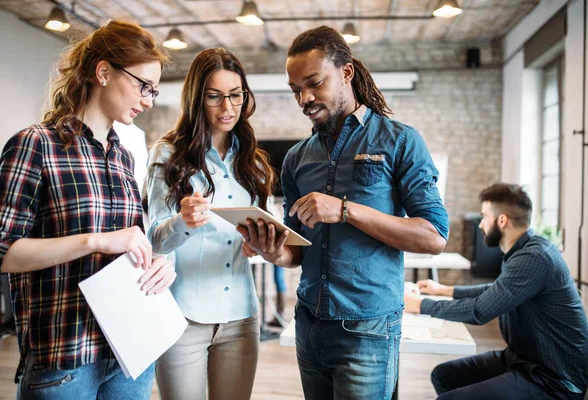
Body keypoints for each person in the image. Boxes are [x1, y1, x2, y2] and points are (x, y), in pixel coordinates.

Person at [239, 25, 449, 399]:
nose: (304, 97)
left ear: (346, 72)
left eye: (314, 83)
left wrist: (346, 210)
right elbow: (296, 252)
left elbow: (433, 236)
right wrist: (273, 251)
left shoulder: (400, 140)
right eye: (295, 90)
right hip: (308, 324)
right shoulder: (296, 159)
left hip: (367, 328)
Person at [0, 20, 175, 399]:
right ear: (104, 72)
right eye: (143, 86)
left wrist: (157, 264)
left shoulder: (122, 156)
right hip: (67, 360)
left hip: (131, 351)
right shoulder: (36, 144)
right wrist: (95, 241)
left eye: (153, 90)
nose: (149, 100)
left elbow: (129, 243)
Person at [145, 47, 275, 400]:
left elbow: (252, 241)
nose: (228, 107)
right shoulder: (168, 154)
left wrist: (258, 244)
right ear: (197, 99)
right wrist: (183, 221)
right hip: (182, 318)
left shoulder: (253, 162)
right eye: (215, 97)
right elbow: (153, 240)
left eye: (236, 95)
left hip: (241, 318)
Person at [404, 183, 588, 399]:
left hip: (553, 379)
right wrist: (444, 289)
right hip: (523, 360)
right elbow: (498, 290)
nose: (480, 225)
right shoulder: (522, 252)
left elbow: (481, 310)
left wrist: (419, 305)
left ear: (502, 220)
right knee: (444, 376)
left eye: (484, 217)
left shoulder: (535, 258)